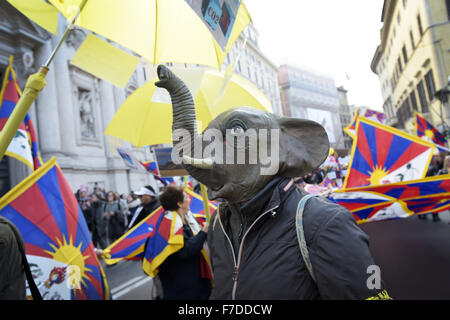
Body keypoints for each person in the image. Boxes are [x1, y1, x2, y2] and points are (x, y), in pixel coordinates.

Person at [156, 184, 211, 300]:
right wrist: (203, 232)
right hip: (183, 288)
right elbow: (184, 250)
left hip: (192, 281)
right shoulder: (170, 225)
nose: (189, 199)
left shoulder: (181, 220)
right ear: (179, 203)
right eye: (186, 197)